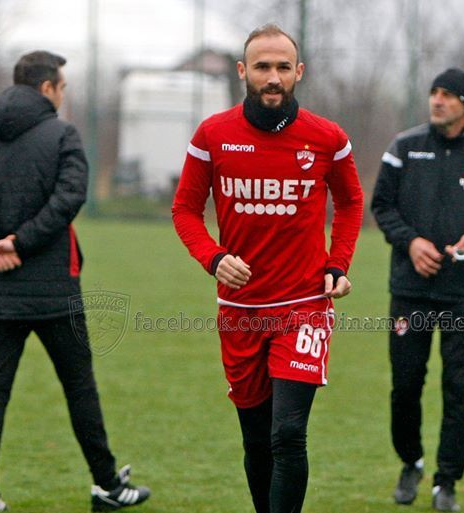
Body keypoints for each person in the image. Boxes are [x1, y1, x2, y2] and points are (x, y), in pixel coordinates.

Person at [0, 50, 150, 512]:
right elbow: (70, 196)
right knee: (79, 386)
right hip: (56, 289)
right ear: (45, 88)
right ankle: (106, 486)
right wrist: (21, 243)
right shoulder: (63, 136)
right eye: (62, 86)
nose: (63, 93)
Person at [172, 24, 364, 513]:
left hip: (303, 306)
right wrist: (213, 258)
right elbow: (185, 210)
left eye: (283, 67)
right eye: (262, 67)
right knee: (256, 442)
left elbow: (350, 202)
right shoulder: (212, 135)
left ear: (299, 71)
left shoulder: (327, 138)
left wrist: (337, 263)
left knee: (287, 435)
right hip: (239, 311)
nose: (273, 77)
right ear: (243, 72)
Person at [371, 68, 464, 512]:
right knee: (405, 385)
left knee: (458, 389)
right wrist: (411, 241)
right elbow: (381, 205)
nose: (437, 101)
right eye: (434, 93)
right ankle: (411, 461)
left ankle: (447, 482)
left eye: (448, 95)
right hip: (410, 290)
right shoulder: (403, 148)